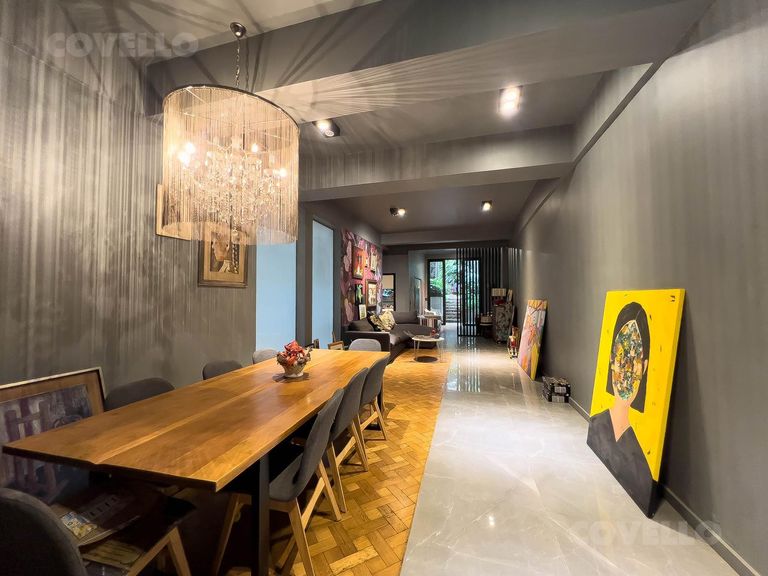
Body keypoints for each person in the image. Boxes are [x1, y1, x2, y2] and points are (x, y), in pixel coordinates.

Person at [587, 302, 656, 516]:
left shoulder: (642, 469)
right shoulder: (596, 424)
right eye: (621, 356)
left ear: (644, 367)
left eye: (634, 360)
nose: (626, 373)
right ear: (611, 360)